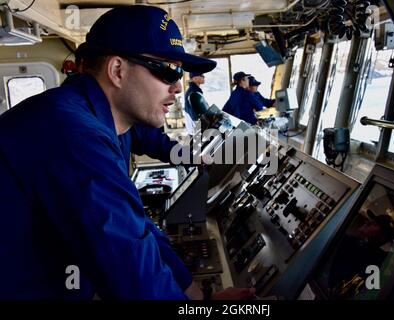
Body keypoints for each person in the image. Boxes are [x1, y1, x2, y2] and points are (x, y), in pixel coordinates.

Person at [0, 5, 255, 300]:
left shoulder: (98, 120)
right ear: (118, 70)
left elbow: (133, 225)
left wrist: (192, 293)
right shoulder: (74, 136)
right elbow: (132, 273)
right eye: (169, 70)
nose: (176, 86)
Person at [327, 209, 394, 299]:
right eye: (368, 223)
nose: (365, 225)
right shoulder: (348, 240)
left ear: (382, 235)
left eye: (372, 224)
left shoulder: (381, 259)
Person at [184, 72, 209, 136]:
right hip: (195, 127)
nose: (204, 77)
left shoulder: (194, 90)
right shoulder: (193, 92)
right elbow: (195, 114)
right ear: (195, 78)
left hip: (194, 126)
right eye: (201, 75)